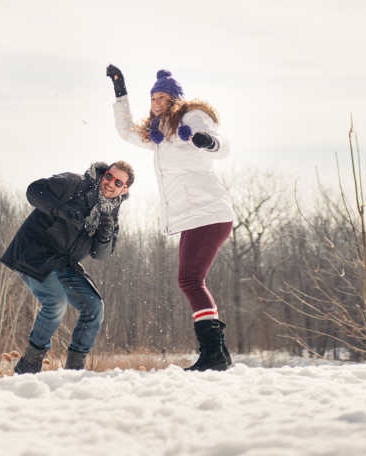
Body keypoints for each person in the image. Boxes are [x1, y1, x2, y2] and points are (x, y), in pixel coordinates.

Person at [106, 64, 234, 371]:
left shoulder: (191, 118)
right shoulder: (158, 134)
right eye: (153, 97)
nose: (156, 102)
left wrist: (206, 141)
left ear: (175, 100)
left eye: (163, 97)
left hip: (210, 212)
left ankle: (214, 354)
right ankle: (218, 354)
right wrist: (120, 91)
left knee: (190, 280)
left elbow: (221, 145)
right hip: (194, 217)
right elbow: (126, 132)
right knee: (190, 280)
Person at [1, 161, 133, 373]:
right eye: (109, 176)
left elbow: (100, 255)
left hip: (64, 263)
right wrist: (61, 209)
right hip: (33, 253)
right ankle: (29, 365)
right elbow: (33, 191)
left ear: (124, 189)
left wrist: (106, 230)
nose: (110, 184)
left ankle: (74, 371)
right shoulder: (74, 184)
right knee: (56, 303)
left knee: (94, 307)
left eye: (118, 182)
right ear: (103, 174)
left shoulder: (111, 213)